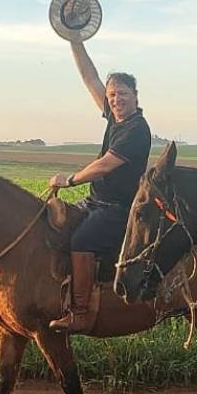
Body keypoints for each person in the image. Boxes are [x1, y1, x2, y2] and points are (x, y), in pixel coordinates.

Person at [47, 41, 151, 332]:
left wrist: (69, 180)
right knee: (56, 223)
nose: (117, 100)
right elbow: (89, 77)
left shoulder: (137, 130)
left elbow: (105, 164)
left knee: (81, 241)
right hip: (94, 203)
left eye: (123, 94)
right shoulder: (115, 117)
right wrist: (74, 39)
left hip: (118, 210)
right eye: (113, 95)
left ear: (135, 97)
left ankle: (80, 313)